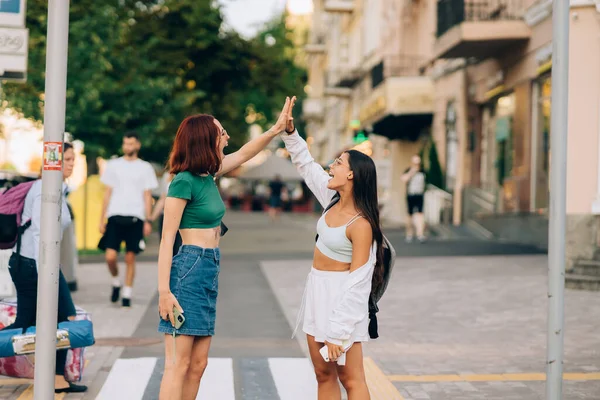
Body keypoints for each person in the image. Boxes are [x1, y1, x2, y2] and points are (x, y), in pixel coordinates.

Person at [157, 97, 293, 400]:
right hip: (188, 271)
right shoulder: (183, 182)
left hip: (209, 268)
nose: (228, 136)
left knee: (199, 364)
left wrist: (275, 129)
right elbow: (167, 240)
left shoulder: (209, 175)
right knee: (177, 364)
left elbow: (245, 153)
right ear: (206, 139)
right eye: (222, 132)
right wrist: (164, 292)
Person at [282, 97, 385, 400]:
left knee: (352, 379)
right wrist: (290, 133)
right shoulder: (332, 200)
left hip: (343, 302)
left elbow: (358, 282)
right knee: (322, 374)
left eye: (338, 163)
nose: (331, 166)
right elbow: (306, 164)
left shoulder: (361, 224)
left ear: (352, 174)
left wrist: (340, 330)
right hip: (317, 293)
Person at [2, 143, 87, 393]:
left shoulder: (57, 189)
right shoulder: (45, 190)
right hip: (35, 266)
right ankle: (57, 377)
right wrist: (47, 274)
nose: (71, 164)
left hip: (36, 264)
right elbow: (41, 231)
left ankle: (58, 378)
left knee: (51, 321)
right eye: (67, 160)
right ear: (54, 163)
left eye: (73, 159)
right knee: (53, 320)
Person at [99, 132, 159, 307]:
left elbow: (147, 195)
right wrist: (101, 219)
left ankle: (127, 293)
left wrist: (148, 220)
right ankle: (116, 281)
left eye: (131, 144)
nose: (128, 147)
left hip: (136, 216)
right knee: (110, 256)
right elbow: (107, 193)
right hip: (115, 215)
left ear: (138, 145)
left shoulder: (145, 167)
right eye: (125, 143)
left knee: (130, 257)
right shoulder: (113, 165)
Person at [151, 173, 183, 256]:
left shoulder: (190, 174)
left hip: (182, 218)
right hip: (166, 217)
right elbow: (163, 199)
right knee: (166, 248)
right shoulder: (167, 175)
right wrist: (151, 219)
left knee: (179, 250)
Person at [401, 155, 427, 243]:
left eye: (418, 163)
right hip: (410, 195)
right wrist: (412, 172)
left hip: (419, 195)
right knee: (409, 215)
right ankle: (409, 233)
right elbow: (404, 179)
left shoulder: (423, 171)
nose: (416, 165)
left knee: (420, 214)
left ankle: (420, 234)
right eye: (415, 163)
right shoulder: (408, 170)